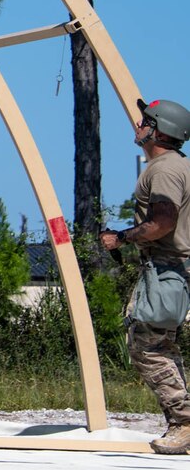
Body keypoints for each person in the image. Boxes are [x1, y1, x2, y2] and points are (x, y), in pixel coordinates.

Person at [103, 98, 190, 455]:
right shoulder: (178, 166)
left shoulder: (163, 171)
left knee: (146, 346)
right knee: (161, 345)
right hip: (174, 268)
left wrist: (121, 237)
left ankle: (184, 422)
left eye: (144, 121)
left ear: (159, 130)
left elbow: (163, 222)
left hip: (168, 266)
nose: (138, 126)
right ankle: (181, 421)